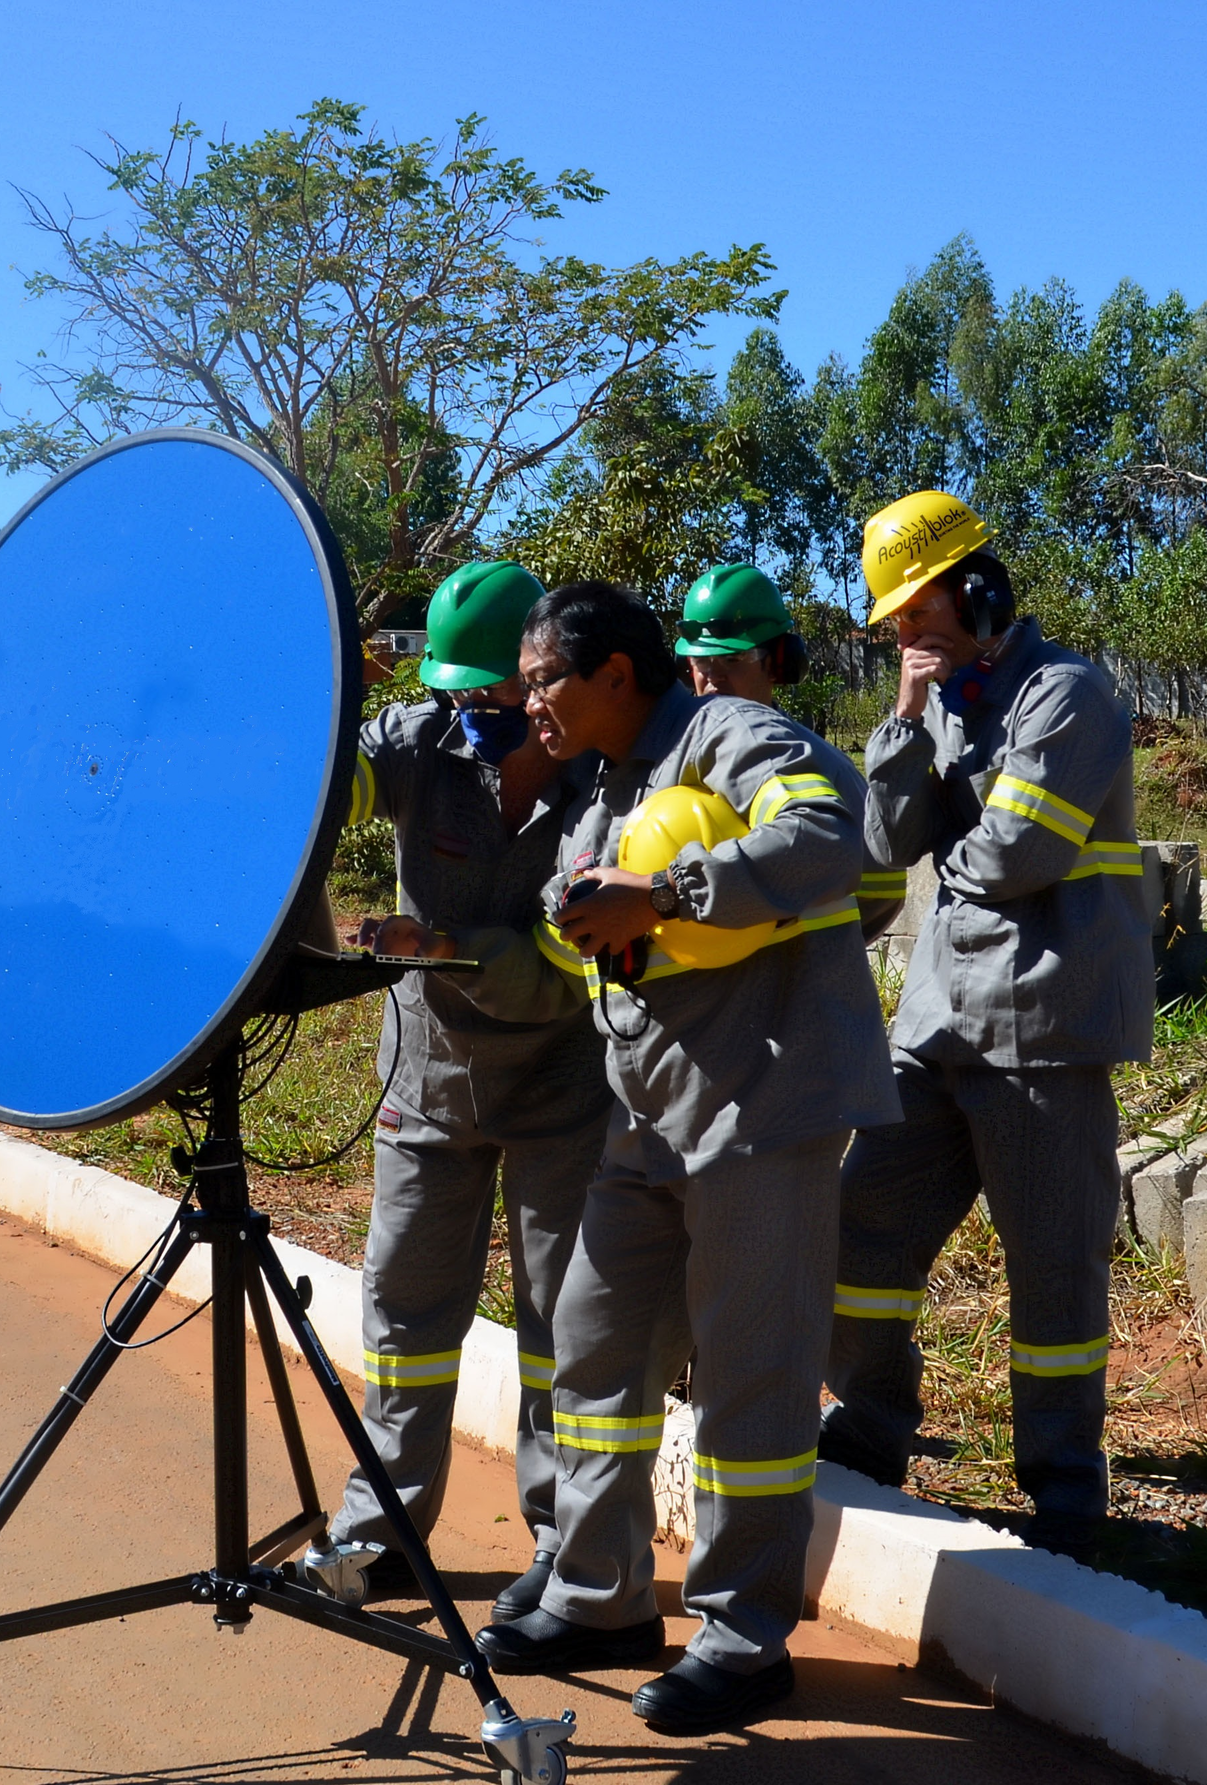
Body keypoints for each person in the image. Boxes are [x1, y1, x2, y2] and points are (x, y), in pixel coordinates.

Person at [455, 582, 899, 1735]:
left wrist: (666, 891)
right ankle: (599, 1596)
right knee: (593, 1347)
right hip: (644, 1114)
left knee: (754, 1377)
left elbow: (828, 827)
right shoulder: (599, 786)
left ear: (614, 676)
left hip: (762, 1108)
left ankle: (745, 1637)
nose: (526, 701)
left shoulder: (729, 733)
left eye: (543, 679)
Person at [819, 491, 1155, 1557]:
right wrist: (905, 726)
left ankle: (1063, 1486)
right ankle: (871, 1425)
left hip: (1047, 1030)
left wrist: (945, 860)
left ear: (980, 587)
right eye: (896, 623)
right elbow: (885, 842)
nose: (908, 634)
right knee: (857, 1234)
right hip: (938, 1025)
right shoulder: (943, 704)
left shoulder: (1071, 697)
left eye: (919, 611)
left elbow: (1014, 858)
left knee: (1052, 1272)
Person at [308, 561, 612, 1622]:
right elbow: (321, 788)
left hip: (561, 1080)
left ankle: (562, 1546)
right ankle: (377, 1531)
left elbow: (566, 962)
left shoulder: (603, 783)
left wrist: (439, 941)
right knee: (405, 1310)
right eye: (454, 694)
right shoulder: (417, 742)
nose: (469, 713)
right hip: (429, 1079)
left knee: (560, 1326)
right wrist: (316, 709)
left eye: (490, 695)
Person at [676, 562, 905, 935]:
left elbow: (884, 887)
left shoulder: (826, 766)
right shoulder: (665, 759)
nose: (713, 678)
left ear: (778, 663)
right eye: (702, 662)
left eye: (733, 660)